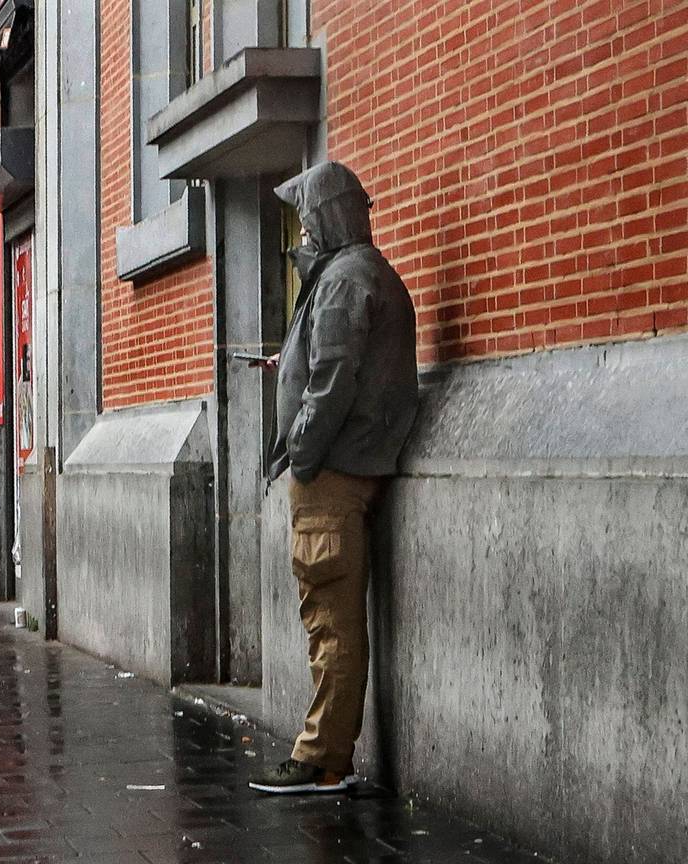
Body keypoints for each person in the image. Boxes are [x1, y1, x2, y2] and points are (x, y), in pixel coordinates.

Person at [249, 162, 418, 794]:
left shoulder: (345, 280)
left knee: (331, 622)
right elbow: (332, 365)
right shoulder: (355, 276)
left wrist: (302, 450)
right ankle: (326, 754)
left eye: (306, 218)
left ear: (326, 216)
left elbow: (334, 380)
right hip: (345, 463)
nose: (301, 231)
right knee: (330, 618)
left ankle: (321, 757)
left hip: (334, 473)